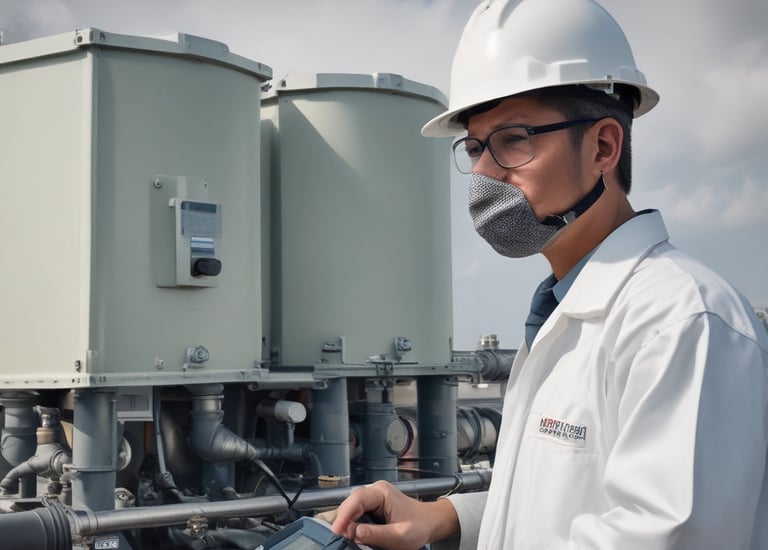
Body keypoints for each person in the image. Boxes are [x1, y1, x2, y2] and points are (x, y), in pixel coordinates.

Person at [331, 0, 768, 548]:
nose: (485, 175)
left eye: (514, 140)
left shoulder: (681, 321)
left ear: (604, 146)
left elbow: (667, 534)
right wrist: (445, 517)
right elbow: (557, 499)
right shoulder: (563, 309)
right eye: (474, 148)